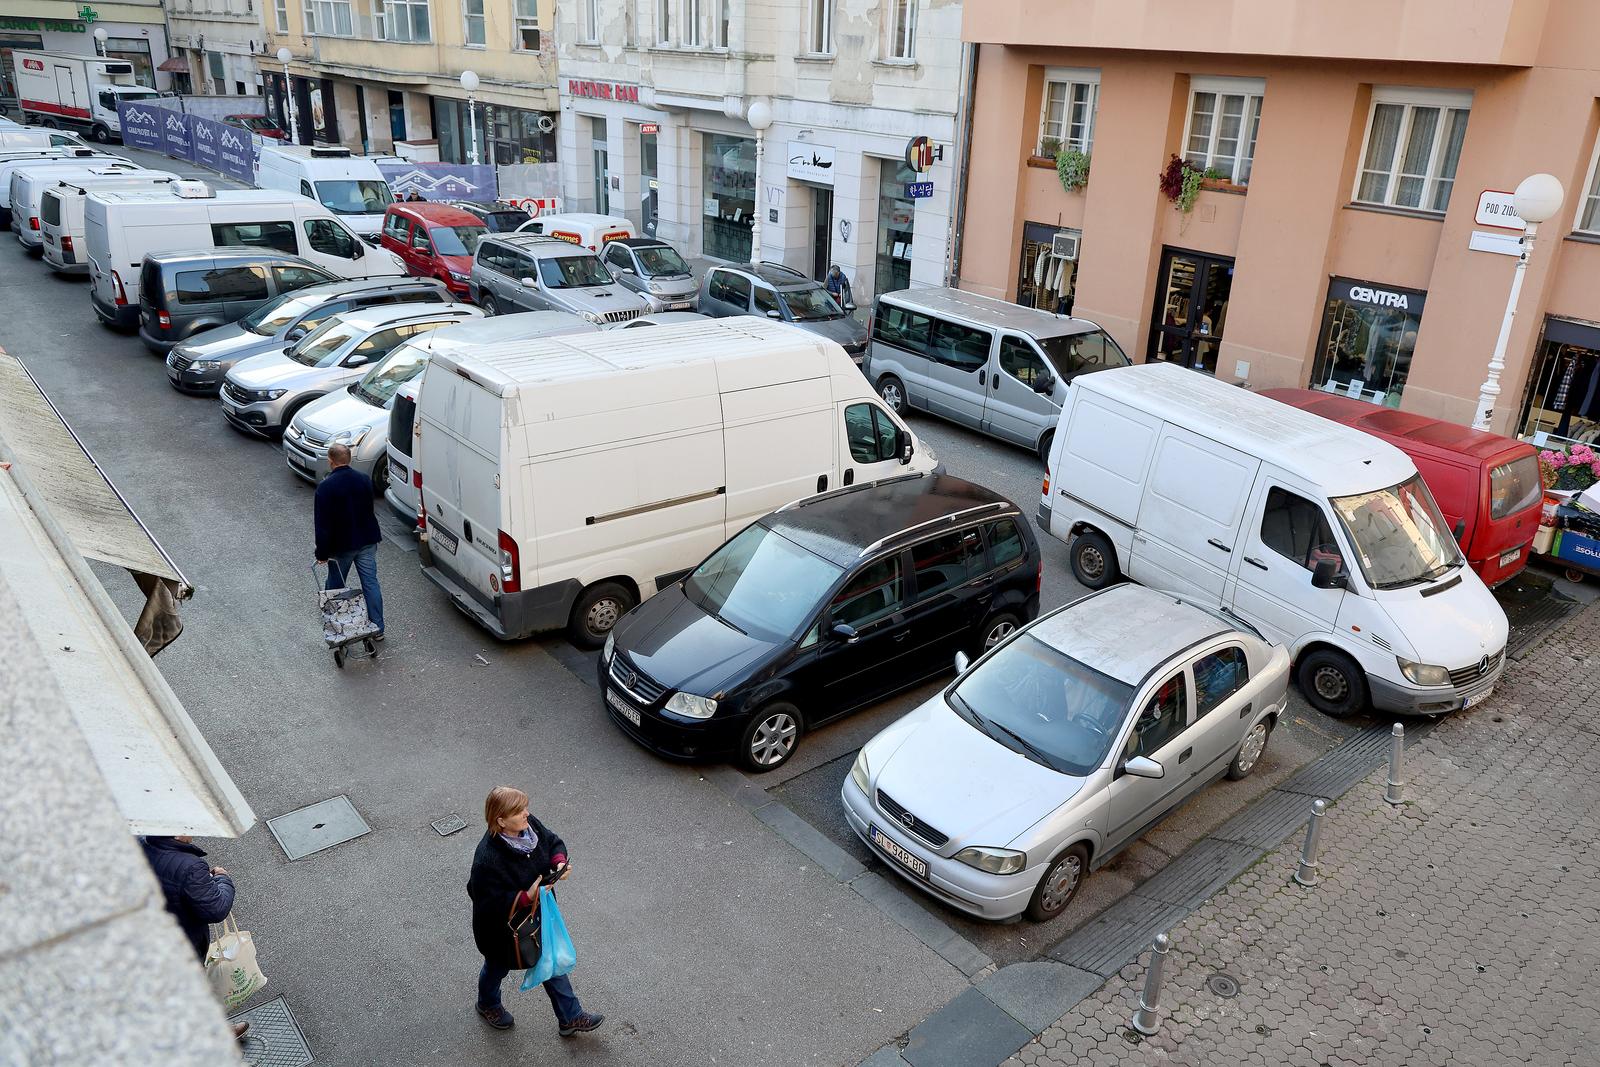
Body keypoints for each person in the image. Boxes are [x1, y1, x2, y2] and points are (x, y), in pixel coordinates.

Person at [467, 787, 604, 1037]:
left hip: (537, 917)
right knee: (497, 967)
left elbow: (552, 842)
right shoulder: (487, 858)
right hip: (502, 931)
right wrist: (524, 897)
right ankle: (487, 1003)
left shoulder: (529, 827)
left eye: (525, 808)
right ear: (500, 820)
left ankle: (570, 1017)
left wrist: (559, 862)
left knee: (549, 961)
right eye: (519, 811)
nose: (526, 814)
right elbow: (486, 902)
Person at [140, 835, 250, 1040]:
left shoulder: (137, 845)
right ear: (176, 833)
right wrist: (222, 879)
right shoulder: (190, 866)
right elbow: (216, 909)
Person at [314, 443, 384, 638]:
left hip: (341, 547)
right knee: (370, 583)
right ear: (349, 459)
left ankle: (337, 626)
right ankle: (377, 628)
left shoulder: (326, 488)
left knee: (335, 586)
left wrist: (322, 553)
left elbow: (323, 525)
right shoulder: (363, 480)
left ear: (330, 461)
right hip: (367, 540)